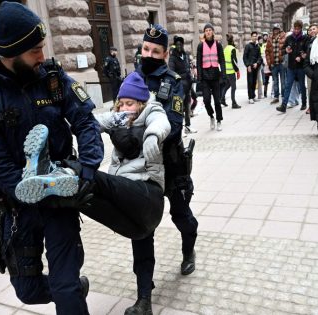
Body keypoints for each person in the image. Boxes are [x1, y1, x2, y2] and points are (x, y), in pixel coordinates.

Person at [0, 3, 104, 314]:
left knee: (64, 286)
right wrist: (26, 189)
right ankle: (73, 291)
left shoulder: (52, 78)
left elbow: (84, 121)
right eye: (35, 51)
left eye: (42, 48)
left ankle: (70, 292)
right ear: (11, 54)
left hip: (61, 200)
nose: (42, 56)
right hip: (19, 207)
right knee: (27, 292)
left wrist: (88, 168)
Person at [14, 72, 169, 238]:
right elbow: (92, 122)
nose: (124, 108)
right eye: (121, 104)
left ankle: (65, 171)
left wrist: (153, 135)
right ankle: (49, 182)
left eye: (129, 103)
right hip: (133, 223)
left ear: (141, 104)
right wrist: (61, 126)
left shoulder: (151, 112)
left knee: (93, 178)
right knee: (81, 195)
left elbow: (161, 122)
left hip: (149, 200)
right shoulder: (119, 120)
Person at [129, 24, 199, 315]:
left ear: (165, 53)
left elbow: (173, 125)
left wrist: (137, 131)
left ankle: (188, 246)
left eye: (155, 51)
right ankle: (144, 296)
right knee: (142, 230)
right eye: (146, 49)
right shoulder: (132, 78)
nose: (149, 55)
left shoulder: (175, 82)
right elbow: (123, 113)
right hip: (142, 169)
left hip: (170, 164)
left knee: (181, 216)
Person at [197, 22, 226, 131]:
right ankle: (211, 116)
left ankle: (219, 120)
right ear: (204, 33)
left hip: (215, 76)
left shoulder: (218, 45)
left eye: (210, 30)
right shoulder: (200, 46)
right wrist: (199, 77)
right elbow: (199, 62)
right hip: (205, 77)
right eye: (206, 30)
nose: (208, 32)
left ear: (213, 32)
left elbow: (222, 60)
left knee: (217, 101)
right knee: (206, 101)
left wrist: (223, 74)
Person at [276, 20, 308, 113]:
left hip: (301, 67)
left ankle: (304, 103)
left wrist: (301, 58)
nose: (296, 30)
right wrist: (286, 50)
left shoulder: (305, 38)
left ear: (301, 29)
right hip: (291, 67)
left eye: (298, 29)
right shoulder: (289, 38)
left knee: (302, 86)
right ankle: (284, 105)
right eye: (295, 28)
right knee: (288, 85)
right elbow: (282, 51)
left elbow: (307, 52)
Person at [169, 36, 198, 133]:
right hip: (180, 86)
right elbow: (172, 71)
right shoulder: (172, 57)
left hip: (188, 85)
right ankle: (179, 129)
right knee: (179, 108)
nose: (179, 46)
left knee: (188, 105)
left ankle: (188, 126)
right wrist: (179, 80)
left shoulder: (185, 55)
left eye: (181, 44)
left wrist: (191, 75)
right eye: (177, 44)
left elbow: (188, 67)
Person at [266, 23, 287, 104]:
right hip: (273, 64)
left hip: (281, 63)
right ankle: (276, 97)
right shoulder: (269, 38)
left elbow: (286, 49)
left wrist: (285, 61)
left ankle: (284, 96)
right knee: (275, 81)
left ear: (279, 29)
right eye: (274, 29)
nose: (276, 31)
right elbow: (267, 51)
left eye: (277, 29)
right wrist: (269, 63)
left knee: (283, 81)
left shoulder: (284, 37)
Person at [221, 33, 241, 108]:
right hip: (231, 72)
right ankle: (234, 103)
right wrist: (237, 71)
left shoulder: (225, 49)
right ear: (232, 40)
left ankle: (222, 99)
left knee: (227, 85)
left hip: (226, 71)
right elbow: (234, 61)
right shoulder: (232, 49)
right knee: (234, 87)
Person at [243, 31, 262, 104]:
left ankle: (253, 96)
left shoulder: (257, 46)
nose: (255, 37)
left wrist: (257, 63)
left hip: (255, 67)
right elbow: (245, 57)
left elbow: (259, 57)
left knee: (254, 82)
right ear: (251, 37)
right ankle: (250, 97)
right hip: (250, 67)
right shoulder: (248, 46)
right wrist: (248, 65)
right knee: (250, 82)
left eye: (256, 36)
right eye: (253, 36)